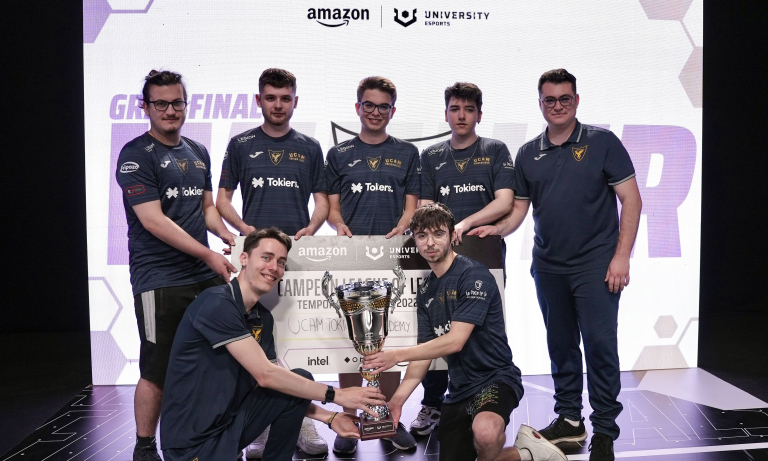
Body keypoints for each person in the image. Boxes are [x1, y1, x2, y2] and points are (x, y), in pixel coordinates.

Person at [469, 69, 642, 461]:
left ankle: (605, 432)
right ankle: (569, 419)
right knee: (561, 346)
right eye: (550, 100)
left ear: (576, 101)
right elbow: (519, 211)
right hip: (548, 267)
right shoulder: (529, 153)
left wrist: (621, 256)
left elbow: (631, 200)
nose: (558, 106)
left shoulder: (603, 143)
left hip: (596, 267)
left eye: (565, 98)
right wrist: (498, 229)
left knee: (599, 347)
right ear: (540, 103)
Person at [160, 228, 386, 461]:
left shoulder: (262, 318)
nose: (274, 267)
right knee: (285, 379)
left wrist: (330, 417)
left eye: (280, 262)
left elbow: (278, 385)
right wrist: (337, 395)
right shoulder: (217, 303)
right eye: (266, 257)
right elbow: (266, 375)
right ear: (244, 258)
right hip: (192, 443)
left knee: (299, 378)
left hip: (229, 429)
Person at [363, 203, 566, 461]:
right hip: (459, 390)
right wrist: (397, 402)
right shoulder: (425, 291)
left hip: (496, 379)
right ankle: (526, 453)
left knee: (485, 433)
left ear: (451, 236)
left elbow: (456, 341)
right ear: (415, 240)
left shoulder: (473, 275)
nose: (430, 243)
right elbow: (423, 357)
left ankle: (521, 453)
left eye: (438, 234)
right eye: (422, 235)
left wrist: (395, 355)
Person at [115, 70, 237, 461]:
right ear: (145, 107)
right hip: (159, 280)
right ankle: (145, 446)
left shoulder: (198, 151)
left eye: (177, 102)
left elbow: (206, 208)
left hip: (204, 276)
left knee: (219, 360)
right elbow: (153, 220)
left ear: (186, 104)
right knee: (157, 367)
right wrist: (208, 253)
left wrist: (228, 236)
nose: (170, 110)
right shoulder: (135, 155)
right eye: (161, 104)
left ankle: (209, 438)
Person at [215, 67, 329, 457]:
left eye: (285, 98)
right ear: (259, 100)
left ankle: (302, 419)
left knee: (297, 341)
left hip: (295, 257)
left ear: (295, 101)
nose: (278, 105)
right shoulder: (241, 144)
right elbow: (222, 200)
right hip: (255, 261)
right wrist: (245, 230)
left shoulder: (310, 146)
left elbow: (322, 201)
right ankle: (262, 422)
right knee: (259, 344)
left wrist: (311, 227)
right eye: (270, 98)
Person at [324, 76, 420, 453]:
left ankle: (385, 419)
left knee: (387, 341)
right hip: (350, 257)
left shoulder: (407, 153)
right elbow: (332, 208)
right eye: (369, 105)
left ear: (392, 111)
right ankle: (349, 419)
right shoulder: (339, 153)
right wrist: (338, 225)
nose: (375, 112)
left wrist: (404, 225)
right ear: (358, 108)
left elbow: (411, 206)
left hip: (393, 258)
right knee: (351, 341)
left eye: (383, 106)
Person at [414, 82, 516, 436]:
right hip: (440, 254)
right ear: (446, 114)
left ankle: (486, 400)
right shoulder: (431, 155)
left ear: (479, 115)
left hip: (483, 253)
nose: (461, 116)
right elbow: (425, 206)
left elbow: (505, 201)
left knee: (480, 332)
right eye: (455, 109)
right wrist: (439, 232)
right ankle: (433, 403)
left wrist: (466, 223)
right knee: (438, 327)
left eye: (469, 110)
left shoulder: (495, 149)